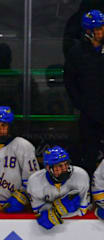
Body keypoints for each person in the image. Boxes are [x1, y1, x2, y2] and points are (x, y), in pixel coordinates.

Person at [64, 9, 104, 174]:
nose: (102, 31)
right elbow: (70, 82)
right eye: (98, 29)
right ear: (89, 31)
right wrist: (83, 105)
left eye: (103, 27)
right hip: (89, 116)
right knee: (88, 157)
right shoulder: (77, 52)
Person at [28, 146, 90, 230]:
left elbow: (82, 211)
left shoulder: (80, 176)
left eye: (66, 164)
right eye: (59, 166)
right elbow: (39, 213)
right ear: (48, 168)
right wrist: (59, 209)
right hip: (49, 234)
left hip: (79, 228)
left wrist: (55, 211)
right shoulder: (35, 181)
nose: (64, 169)